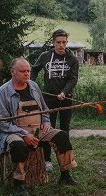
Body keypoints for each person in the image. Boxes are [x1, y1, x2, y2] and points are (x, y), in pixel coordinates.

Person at [0, 58, 77, 196]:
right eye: (22, 71)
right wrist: (24, 134)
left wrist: (46, 122)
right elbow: (2, 123)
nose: (27, 74)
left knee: (62, 136)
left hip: (38, 128)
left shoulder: (33, 86)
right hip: (14, 131)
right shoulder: (3, 92)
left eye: (28, 71)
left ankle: (65, 174)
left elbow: (44, 109)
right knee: (18, 146)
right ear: (12, 72)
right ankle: (19, 184)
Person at [30, 29, 79, 172]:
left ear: (67, 42)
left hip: (66, 98)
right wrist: (31, 84)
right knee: (46, 129)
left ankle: (65, 161)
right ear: (53, 42)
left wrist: (64, 91)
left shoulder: (72, 59)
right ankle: (47, 160)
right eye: (58, 42)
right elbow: (34, 70)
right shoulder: (45, 56)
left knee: (64, 129)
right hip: (48, 99)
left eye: (64, 42)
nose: (61, 45)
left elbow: (73, 78)